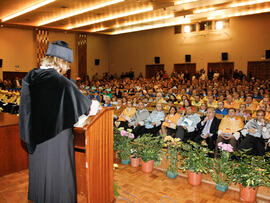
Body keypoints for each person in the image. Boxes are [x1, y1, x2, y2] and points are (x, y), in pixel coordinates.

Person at [19, 41, 92, 203]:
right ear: (61, 62)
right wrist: (96, 106)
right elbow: (87, 107)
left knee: (41, 170)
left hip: (36, 135)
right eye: (66, 65)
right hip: (57, 136)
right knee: (60, 173)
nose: (66, 69)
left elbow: (26, 109)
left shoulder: (30, 77)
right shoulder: (62, 82)